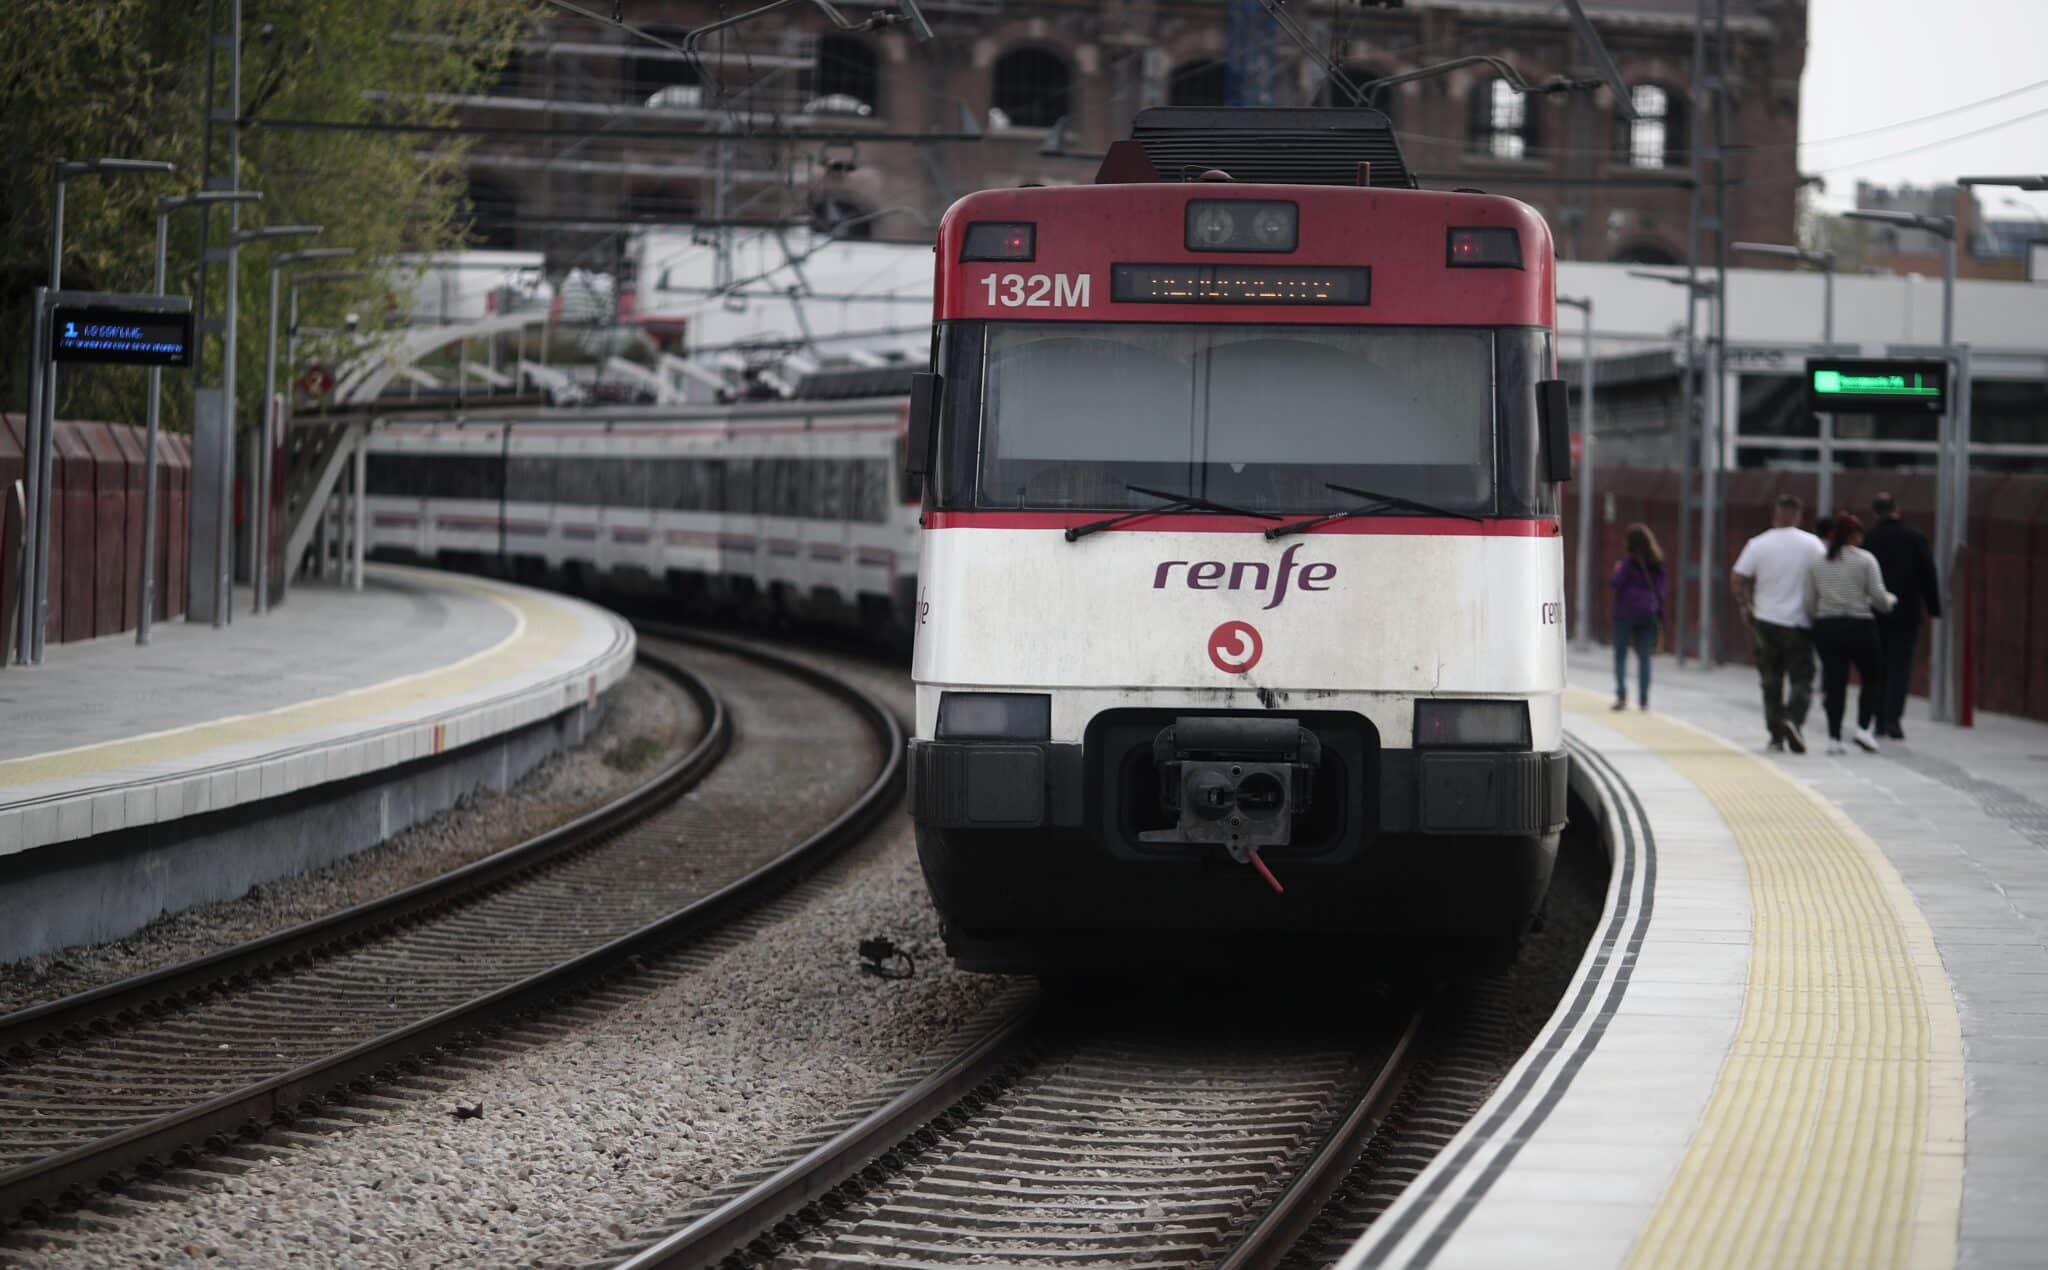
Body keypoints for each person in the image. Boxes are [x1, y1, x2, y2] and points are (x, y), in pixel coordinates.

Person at [1731, 494, 1824, 753]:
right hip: (1800, 623)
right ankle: (1792, 719)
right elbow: (1826, 575)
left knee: (1770, 680)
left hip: (1765, 621)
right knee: (1802, 678)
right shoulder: (1813, 545)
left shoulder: (1758, 544)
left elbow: (1738, 578)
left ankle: (1775, 736)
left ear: (1776, 513)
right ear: (1799, 515)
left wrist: (1744, 605)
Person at [1806, 512, 1896, 753]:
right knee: (1871, 677)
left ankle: (1834, 738)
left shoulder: (1817, 562)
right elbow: (1878, 597)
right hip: (1860, 626)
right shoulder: (1866, 560)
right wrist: (1891, 601)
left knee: (1835, 682)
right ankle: (1863, 729)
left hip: (1828, 626)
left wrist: (1820, 616)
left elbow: (1809, 601)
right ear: (1854, 535)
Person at [1863, 492, 1942, 739]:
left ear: (1875, 512)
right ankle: (1893, 720)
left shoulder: (1869, 539)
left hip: (1874, 612)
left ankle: (1877, 722)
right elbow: (1928, 574)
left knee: (1878, 667)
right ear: (1898, 509)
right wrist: (1934, 608)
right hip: (1907, 613)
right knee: (1900, 667)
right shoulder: (1914, 538)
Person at [1608, 523, 1666, 711]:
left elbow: (1615, 583)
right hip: (1648, 613)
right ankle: (1643, 699)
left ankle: (1621, 695)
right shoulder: (1656, 563)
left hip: (1625, 613)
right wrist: (1660, 614)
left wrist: (1618, 569)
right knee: (1644, 657)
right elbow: (1662, 591)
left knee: (1620, 655)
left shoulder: (1627, 563)